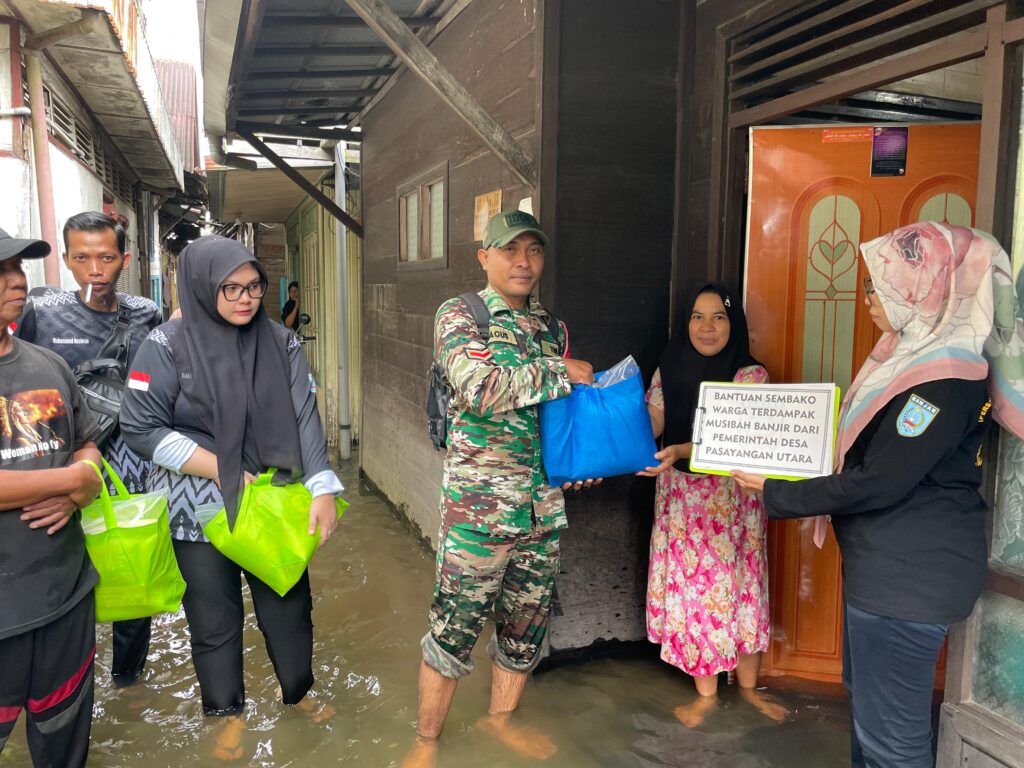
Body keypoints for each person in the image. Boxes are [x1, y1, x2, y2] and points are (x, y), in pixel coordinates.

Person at [733, 222, 1024, 768]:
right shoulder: (914, 364)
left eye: (881, 286)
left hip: (906, 582)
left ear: (926, 289)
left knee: (893, 741)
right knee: (872, 720)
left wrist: (778, 490)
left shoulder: (942, 382)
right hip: (893, 575)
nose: (870, 299)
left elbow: (882, 480)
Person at [118, 235, 344, 761]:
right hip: (195, 512)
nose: (246, 298)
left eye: (254, 287)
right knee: (212, 618)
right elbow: (139, 427)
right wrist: (220, 470)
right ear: (201, 288)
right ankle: (225, 711)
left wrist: (323, 486)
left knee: (290, 606)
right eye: (231, 289)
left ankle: (299, 693)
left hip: (271, 503)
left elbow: (303, 415)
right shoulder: (166, 345)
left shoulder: (280, 341)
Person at [403, 210, 597, 768]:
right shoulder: (460, 316)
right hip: (477, 515)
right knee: (452, 629)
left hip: (542, 510)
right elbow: (481, 389)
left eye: (534, 251)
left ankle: (498, 723)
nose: (523, 262)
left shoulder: (553, 330)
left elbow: (558, 420)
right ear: (483, 256)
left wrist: (572, 464)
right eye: (510, 250)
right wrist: (564, 373)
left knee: (524, 630)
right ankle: (425, 743)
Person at [13, 211, 161, 688]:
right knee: (58, 563)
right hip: (60, 459)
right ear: (67, 259)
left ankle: (128, 680)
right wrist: (63, 479)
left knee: (131, 560)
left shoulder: (145, 313)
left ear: (124, 260)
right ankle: (64, 675)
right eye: (81, 258)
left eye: (105, 257)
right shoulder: (43, 310)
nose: (94, 269)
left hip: (128, 463)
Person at [637, 283, 783, 728]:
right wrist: (629, 437)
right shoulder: (669, 362)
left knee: (740, 586)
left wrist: (681, 451)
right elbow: (656, 415)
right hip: (682, 499)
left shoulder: (750, 375)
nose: (706, 326)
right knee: (698, 592)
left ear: (733, 323)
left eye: (718, 316)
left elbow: (735, 445)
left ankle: (749, 690)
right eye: (697, 317)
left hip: (731, 500)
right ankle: (706, 695)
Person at [0, 228, 104, 767]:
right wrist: (71, 483)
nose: (17, 280)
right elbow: (77, 475)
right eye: (1, 272)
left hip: (64, 598)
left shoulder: (48, 365)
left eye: (18, 267)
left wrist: (85, 476)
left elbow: (85, 444)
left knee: (64, 747)